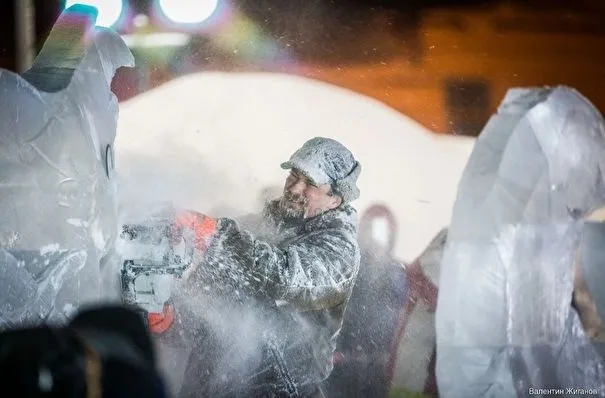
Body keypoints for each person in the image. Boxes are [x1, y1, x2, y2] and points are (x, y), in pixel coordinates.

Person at [161, 137, 362, 397]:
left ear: (335, 199)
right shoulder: (250, 228)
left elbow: (285, 278)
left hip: (281, 388)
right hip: (209, 384)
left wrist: (218, 235)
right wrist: (174, 321)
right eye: (293, 175)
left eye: (310, 183)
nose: (295, 187)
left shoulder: (339, 250)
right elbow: (207, 299)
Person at [323, 204, 408, 398]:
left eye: (379, 232)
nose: (373, 240)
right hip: (338, 368)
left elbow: (404, 320)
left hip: (378, 370)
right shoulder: (344, 269)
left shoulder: (399, 276)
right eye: (369, 230)